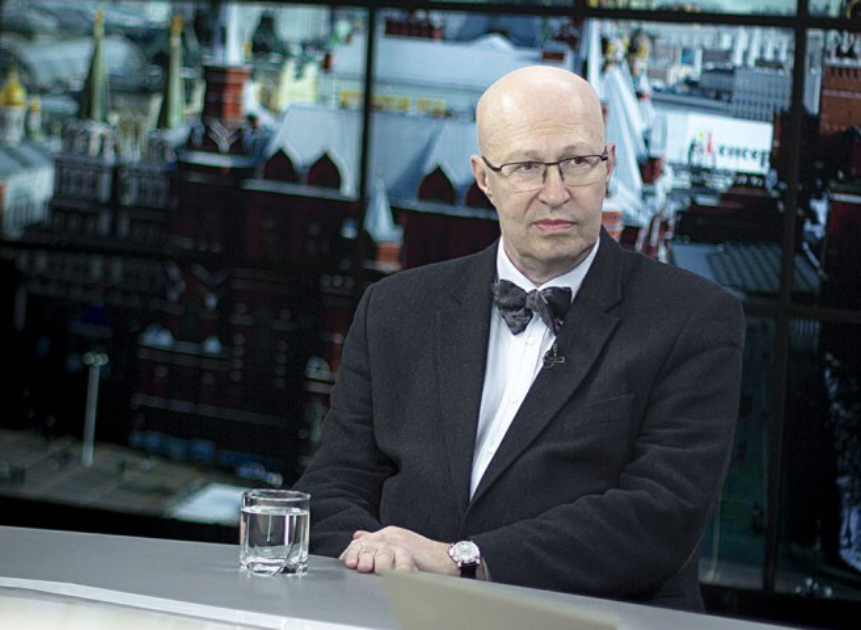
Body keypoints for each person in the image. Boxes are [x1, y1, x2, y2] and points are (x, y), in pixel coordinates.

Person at [293, 66, 744, 611]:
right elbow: (332, 486)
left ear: (609, 165)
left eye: (577, 162)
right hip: (400, 614)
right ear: (485, 178)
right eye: (527, 167)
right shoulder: (394, 309)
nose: (555, 193)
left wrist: (463, 561)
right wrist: (381, 560)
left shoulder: (694, 319)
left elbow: (661, 514)